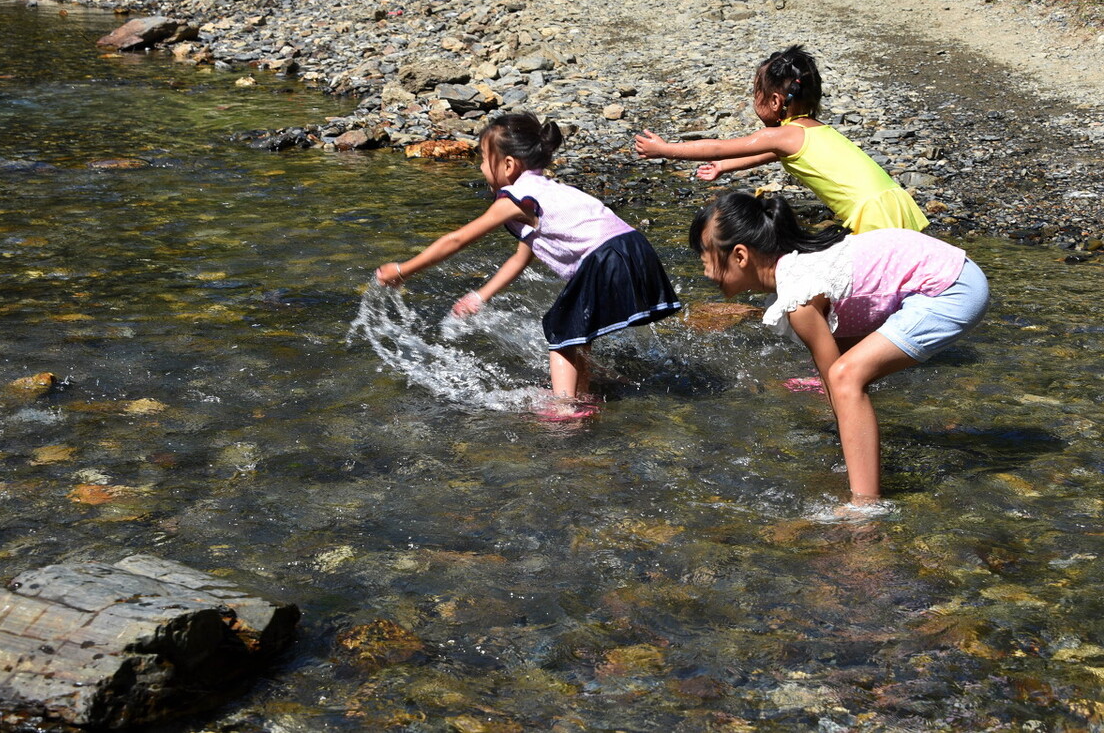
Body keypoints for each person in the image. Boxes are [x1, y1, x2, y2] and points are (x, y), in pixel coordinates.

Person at [688, 191, 988, 510]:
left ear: (740, 256)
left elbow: (839, 379)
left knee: (846, 377)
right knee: (843, 376)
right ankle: (860, 468)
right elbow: (831, 375)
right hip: (947, 274)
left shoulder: (799, 294)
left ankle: (865, 507)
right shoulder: (799, 268)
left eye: (705, 257)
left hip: (951, 288)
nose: (705, 271)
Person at [376, 112, 682, 416]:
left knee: (559, 330)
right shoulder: (547, 191)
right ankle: (581, 394)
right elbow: (521, 257)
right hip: (635, 248)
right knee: (576, 328)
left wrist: (403, 270)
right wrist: (480, 296)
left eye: (483, 159)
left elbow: (457, 239)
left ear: (508, 165)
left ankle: (565, 408)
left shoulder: (515, 198)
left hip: (605, 254)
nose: (480, 167)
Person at [636, 44, 929, 234]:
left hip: (872, 213)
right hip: (894, 201)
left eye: (756, 94)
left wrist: (665, 149)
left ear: (775, 101)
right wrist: (725, 166)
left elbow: (717, 146)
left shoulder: (782, 135)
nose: (754, 100)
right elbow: (772, 154)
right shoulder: (813, 130)